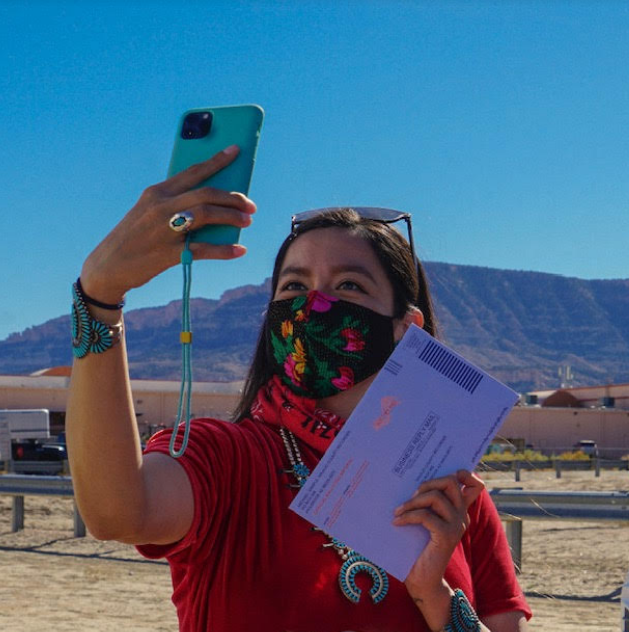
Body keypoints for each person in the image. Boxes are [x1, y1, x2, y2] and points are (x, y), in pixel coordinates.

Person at [66, 146, 532, 632]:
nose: (315, 305)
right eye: (293, 287)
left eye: (349, 286)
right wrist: (100, 295)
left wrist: (431, 592)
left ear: (405, 327)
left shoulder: (451, 496)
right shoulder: (226, 460)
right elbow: (117, 513)